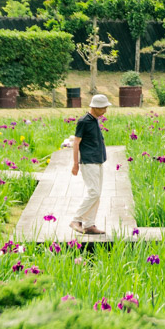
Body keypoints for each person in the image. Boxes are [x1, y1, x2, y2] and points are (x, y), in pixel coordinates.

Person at [69, 94, 111, 235]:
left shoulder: (94, 121)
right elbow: (76, 143)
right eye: (103, 108)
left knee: (97, 194)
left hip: (98, 160)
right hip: (88, 161)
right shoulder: (84, 122)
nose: (105, 110)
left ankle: (89, 225)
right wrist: (75, 164)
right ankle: (76, 219)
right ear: (95, 107)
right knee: (93, 192)